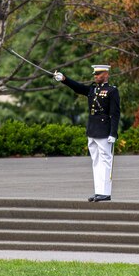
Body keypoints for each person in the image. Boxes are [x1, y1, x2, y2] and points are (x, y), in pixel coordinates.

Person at [54, 63, 121, 201]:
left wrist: (113, 133)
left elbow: (115, 114)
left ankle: (106, 192)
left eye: (98, 74)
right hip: (92, 129)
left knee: (105, 161)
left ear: (106, 75)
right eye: (95, 74)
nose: (96, 76)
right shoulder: (92, 89)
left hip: (104, 130)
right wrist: (64, 79)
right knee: (95, 161)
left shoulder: (112, 91)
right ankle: (99, 191)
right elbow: (78, 88)